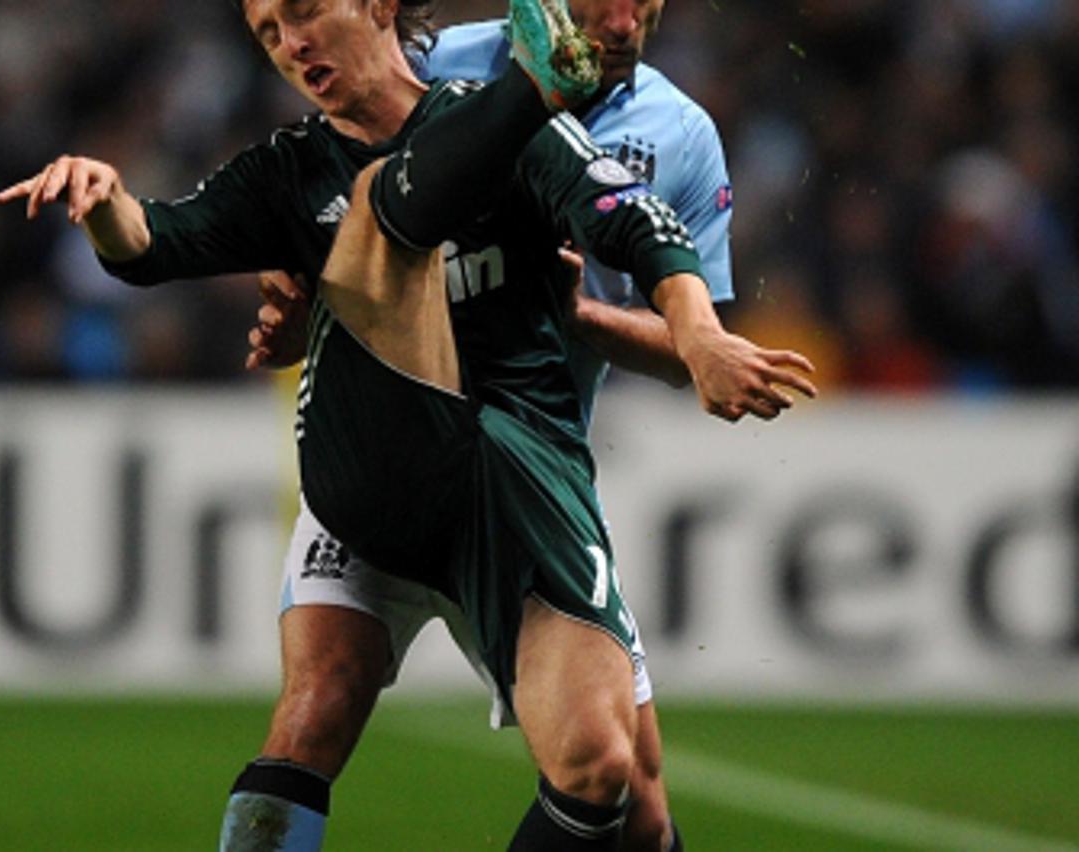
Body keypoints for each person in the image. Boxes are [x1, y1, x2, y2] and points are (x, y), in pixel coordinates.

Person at [0, 0, 815, 848]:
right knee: (313, 711)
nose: (293, 44)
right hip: (373, 477)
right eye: (269, 33)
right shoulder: (295, 166)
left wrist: (699, 336)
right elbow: (158, 241)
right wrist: (104, 203)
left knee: (619, 786)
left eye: (306, 13)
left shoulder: (605, 124)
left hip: (513, 477)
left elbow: (638, 226)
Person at [243, 1, 750, 848]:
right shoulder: (432, 66)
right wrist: (301, 297)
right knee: (315, 708)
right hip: (391, 455)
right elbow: (331, 212)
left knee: (632, 798)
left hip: (520, 490)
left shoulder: (683, 134)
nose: (624, 22)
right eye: (601, 1)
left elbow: (694, 353)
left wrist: (583, 318)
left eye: (643, 1)